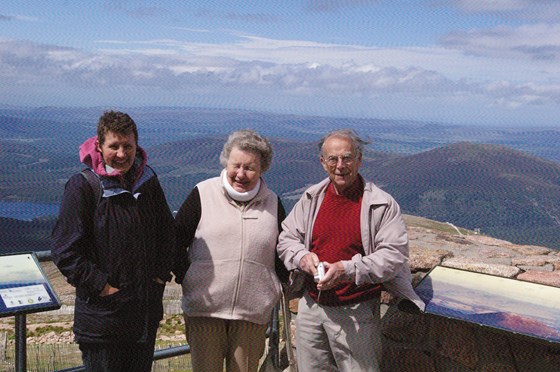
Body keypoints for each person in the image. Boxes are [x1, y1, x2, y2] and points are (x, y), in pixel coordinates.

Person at [277, 129, 425, 372]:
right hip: (312, 306)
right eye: (333, 159)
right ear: (322, 163)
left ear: (359, 159)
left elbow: (393, 256)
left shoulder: (381, 204)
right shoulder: (312, 198)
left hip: (356, 311)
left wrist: (346, 270)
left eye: (347, 158)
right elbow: (287, 238)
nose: (340, 165)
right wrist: (302, 258)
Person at [51, 111, 174, 371]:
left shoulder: (147, 181)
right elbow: (65, 251)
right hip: (102, 319)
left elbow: (167, 232)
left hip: (143, 316)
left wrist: (160, 277)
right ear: (99, 145)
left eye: (127, 146)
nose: (121, 154)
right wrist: (103, 288)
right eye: (113, 146)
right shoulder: (83, 186)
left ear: (136, 145)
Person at [173, 129, 287, 372]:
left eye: (250, 167)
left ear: (262, 169)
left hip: (252, 313)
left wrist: (279, 287)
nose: (241, 174)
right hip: (205, 310)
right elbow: (175, 241)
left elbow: (283, 254)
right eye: (236, 165)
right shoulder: (202, 194)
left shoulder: (274, 204)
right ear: (226, 161)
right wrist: (188, 277)